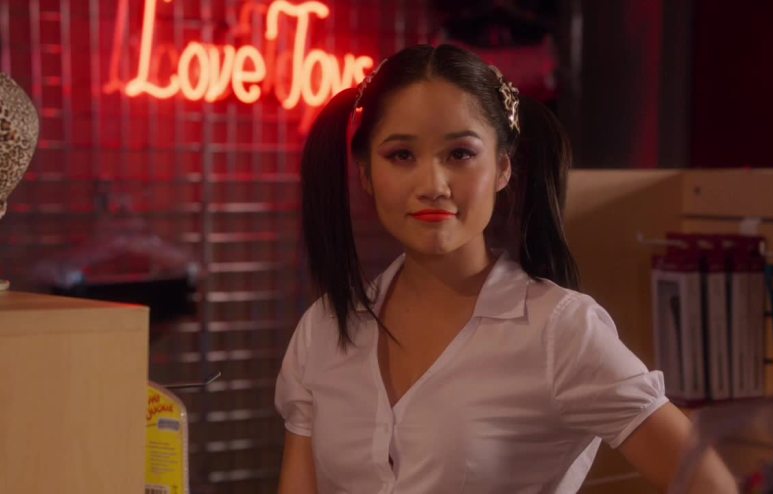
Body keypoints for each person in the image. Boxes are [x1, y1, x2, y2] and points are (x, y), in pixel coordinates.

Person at [275, 43, 735, 493]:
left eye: (460, 154)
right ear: (366, 174)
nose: (433, 185)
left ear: (502, 168)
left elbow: (710, 482)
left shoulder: (559, 331)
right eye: (401, 155)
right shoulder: (323, 331)